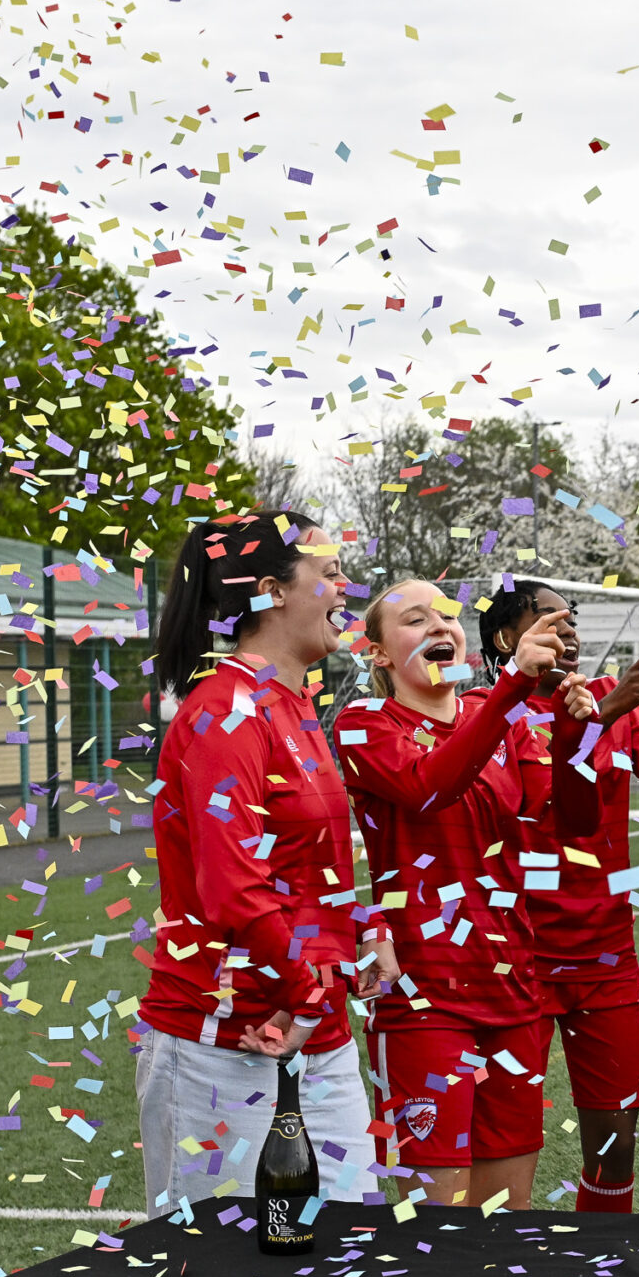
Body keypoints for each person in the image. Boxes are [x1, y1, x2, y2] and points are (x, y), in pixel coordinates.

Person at [338, 578, 606, 1210]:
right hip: (422, 999)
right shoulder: (363, 724)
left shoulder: (502, 719)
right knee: (433, 1229)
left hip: (512, 991)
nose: (439, 627)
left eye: (446, 617)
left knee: (506, 1218)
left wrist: (572, 733)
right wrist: (514, 682)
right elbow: (430, 785)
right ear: (377, 653)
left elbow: (573, 818)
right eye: (414, 619)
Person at [137, 513, 377, 1217]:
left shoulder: (294, 703)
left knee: (351, 1256)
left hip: (318, 1037)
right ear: (273, 591)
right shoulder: (225, 710)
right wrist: (306, 992)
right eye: (328, 574)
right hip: (222, 1045)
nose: (344, 588)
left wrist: (364, 930)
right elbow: (231, 884)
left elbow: (307, 874)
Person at [478, 578, 639, 1212]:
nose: (567, 631)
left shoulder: (622, 709)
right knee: (512, 1149)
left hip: (607, 956)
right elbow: (558, 808)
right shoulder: (487, 714)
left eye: (572, 622)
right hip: (517, 961)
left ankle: (595, 1275)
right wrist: (598, 720)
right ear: (509, 636)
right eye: (549, 619)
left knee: (615, 1146)